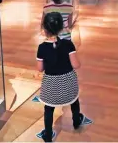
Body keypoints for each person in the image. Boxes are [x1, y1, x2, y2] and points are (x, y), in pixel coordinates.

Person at [37, 12, 85, 142]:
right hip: (68, 85)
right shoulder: (68, 44)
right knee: (74, 101)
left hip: (51, 87)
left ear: (44, 28)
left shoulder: (41, 47)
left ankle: (47, 135)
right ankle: (76, 121)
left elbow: (40, 68)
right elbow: (76, 65)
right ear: (61, 28)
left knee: (48, 109)